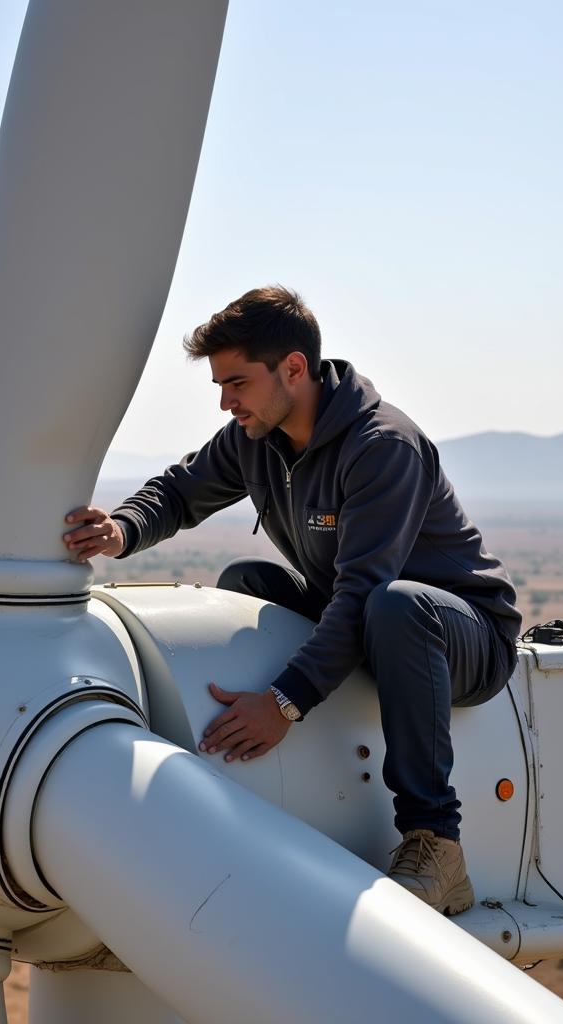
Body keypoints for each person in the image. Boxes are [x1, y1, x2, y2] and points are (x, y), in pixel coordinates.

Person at [62, 285, 521, 916]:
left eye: (238, 383)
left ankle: (435, 842)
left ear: (294, 369)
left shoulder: (382, 446)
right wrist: (119, 529)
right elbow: (180, 490)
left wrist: (284, 702)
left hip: (459, 634)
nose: (226, 402)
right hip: (369, 615)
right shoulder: (257, 437)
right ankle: (274, 792)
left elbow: (363, 593)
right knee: (248, 583)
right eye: (220, 386)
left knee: (394, 605)